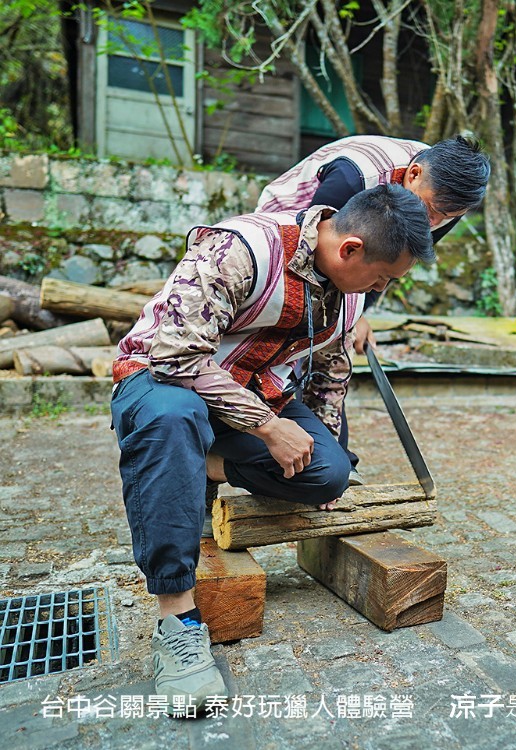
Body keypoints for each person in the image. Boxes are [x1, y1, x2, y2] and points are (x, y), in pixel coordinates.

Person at [110, 185, 433, 715]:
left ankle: (203, 462)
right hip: (160, 381)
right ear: (349, 248)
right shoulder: (244, 248)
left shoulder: (348, 292)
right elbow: (173, 353)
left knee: (326, 475)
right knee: (175, 417)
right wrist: (265, 427)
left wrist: (325, 445)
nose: (380, 289)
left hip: (251, 394)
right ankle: (177, 621)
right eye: (382, 278)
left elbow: (331, 375)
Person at [257, 134, 490, 483]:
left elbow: (395, 260)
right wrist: (349, 313)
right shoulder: (355, 178)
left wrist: (361, 312)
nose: (434, 222)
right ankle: (266, 443)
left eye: (446, 217)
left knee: (335, 348)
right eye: (432, 211)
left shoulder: (444, 204)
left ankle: (335, 462)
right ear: (413, 174)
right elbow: (320, 243)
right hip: (287, 235)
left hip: (349, 251)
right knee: (299, 340)